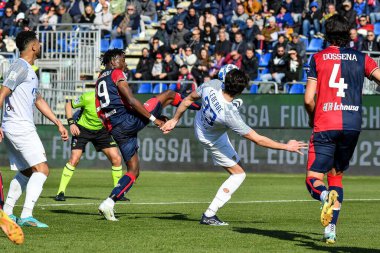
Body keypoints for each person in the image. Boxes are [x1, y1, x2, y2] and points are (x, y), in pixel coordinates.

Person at [161, 65, 307, 225]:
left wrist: (175, 120)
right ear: (239, 90)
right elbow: (258, 139)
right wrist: (287, 146)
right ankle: (209, 215)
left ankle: (210, 215)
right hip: (212, 138)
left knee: (236, 164)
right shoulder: (230, 115)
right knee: (239, 174)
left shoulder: (212, 84)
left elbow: (188, 99)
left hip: (203, 124)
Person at [95, 49, 200, 221]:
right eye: (123, 59)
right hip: (126, 121)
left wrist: (114, 127)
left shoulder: (100, 77)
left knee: (133, 171)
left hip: (115, 128)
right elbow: (130, 100)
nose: (125, 63)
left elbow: (101, 109)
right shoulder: (116, 73)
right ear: (114, 61)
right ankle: (202, 108)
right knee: (169, 94)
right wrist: (155, 119)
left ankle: (108, 203)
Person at [304, 14, 380, 244]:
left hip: (326, 123)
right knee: (336, 177)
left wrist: (312, 118)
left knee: (313, 179)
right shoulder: (362, 58)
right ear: (349, 34)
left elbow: (308, 99)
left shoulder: (317, 58)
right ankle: (330, 230)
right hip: (352, 126)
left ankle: (324, 196)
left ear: (327, 35)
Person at [0, 31, 68, 228]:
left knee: (28, 171)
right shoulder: (20, 66)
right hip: (19, 125)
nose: (41, 45)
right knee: (42, 169)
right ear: (33, 46)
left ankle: (7, 212)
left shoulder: (29, 70)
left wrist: (58, 122)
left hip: (15, 126)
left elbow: (38, 99)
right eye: (39, 42)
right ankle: (27, 215)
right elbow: (2, 93)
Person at [55, 91, 123, 201]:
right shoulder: (88, 97)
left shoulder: (114, 99)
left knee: (117, 158)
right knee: (74, 159)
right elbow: (68, 105)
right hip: (82, 129)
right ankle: (60, 192)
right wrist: (71, 123)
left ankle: (117, 193)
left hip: (101, 131)